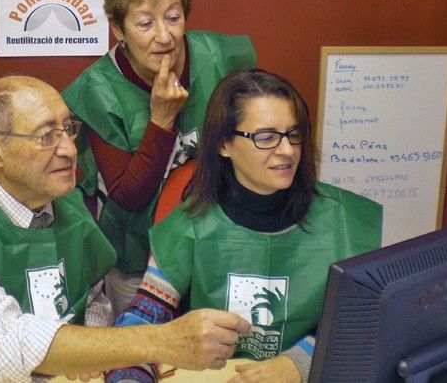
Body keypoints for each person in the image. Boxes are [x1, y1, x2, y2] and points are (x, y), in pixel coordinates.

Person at [0, 76, 252, 381]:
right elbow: (7, 343)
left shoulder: (68, 205)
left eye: (68, 129)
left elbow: (93, 300)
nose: (70, 150)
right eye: (46, 136)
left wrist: (91, 351)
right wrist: (161, 340)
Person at [106, 69, 383, 383]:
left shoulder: (346, 221)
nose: (288, 150)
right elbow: (141, 323)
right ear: (224, 144)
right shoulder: (189, 223)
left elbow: (369, 325)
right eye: (266, 137)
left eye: (294, 134)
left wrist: (300, 362)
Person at [63, 0, 257, 314]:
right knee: (141, 351)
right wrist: (161, 121)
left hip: (214, 244)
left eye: (173, 18)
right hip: (136, 255)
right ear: (119, 29)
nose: (164, 36)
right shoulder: (98, 89)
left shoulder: (219, 57)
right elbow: (127, 197)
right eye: (145, 23)